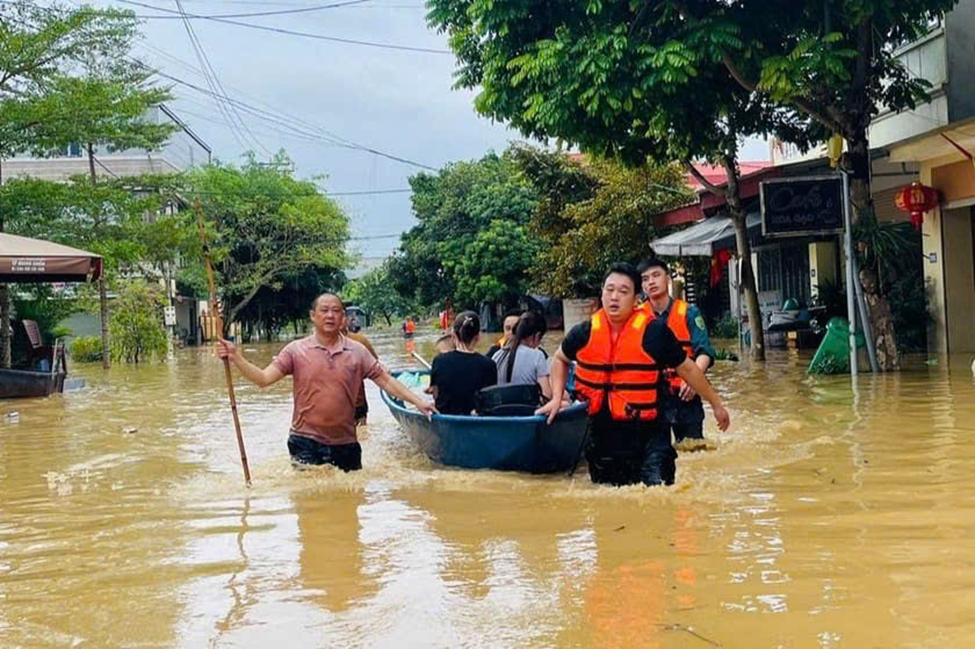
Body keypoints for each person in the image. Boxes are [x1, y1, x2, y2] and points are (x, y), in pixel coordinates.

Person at [537, 263, 730, 487]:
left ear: (636, 299)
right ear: (602, 293)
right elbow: (560, 359)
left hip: (649, 438)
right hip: (603, 436)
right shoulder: (585, 332)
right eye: (609, 290)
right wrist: (556, 398)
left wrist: (716, 404)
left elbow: (687, 368)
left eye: (623, 291)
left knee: (658, 498)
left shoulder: (654, 333)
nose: (614, 297)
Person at [217, 293, 436, 471]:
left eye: (336, 311)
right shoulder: (296, 350)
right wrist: (236, 357)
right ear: (313, 316)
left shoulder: (357, 351)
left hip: (346, 444)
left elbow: (386, 381)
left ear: (343, 318)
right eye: (324, 310)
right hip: (305, 441)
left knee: (349, 511)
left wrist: (418, 402)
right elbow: (264, 379)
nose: (330, 315)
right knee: (312, 509)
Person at [639, 258, 716, 449]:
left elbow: (704, 352)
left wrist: (693, 380)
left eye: (656, 275)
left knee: (693, 451)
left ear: (668, 278)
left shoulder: (689, 313)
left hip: (685, 395)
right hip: (651, 397)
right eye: (645, 278)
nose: (651, 282)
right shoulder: (636, 317)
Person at [429, 311, 497, 415]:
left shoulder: (439, 361)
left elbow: (436, 395)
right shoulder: (489, 364)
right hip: (477, 420)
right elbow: (490, 398)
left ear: (453, 336)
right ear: (478, 337)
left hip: (447, 418)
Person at [491, 311, 552, 401]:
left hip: (501, 410)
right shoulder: (537, 355)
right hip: (527, 410)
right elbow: (546, 395)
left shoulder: (497, 355)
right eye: (540, 339)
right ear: (537, 335)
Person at [343, 325, 378, 427]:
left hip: (356, 401)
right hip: (335, 406)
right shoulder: (315, 346)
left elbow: (375, 365)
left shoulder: (359, 341)